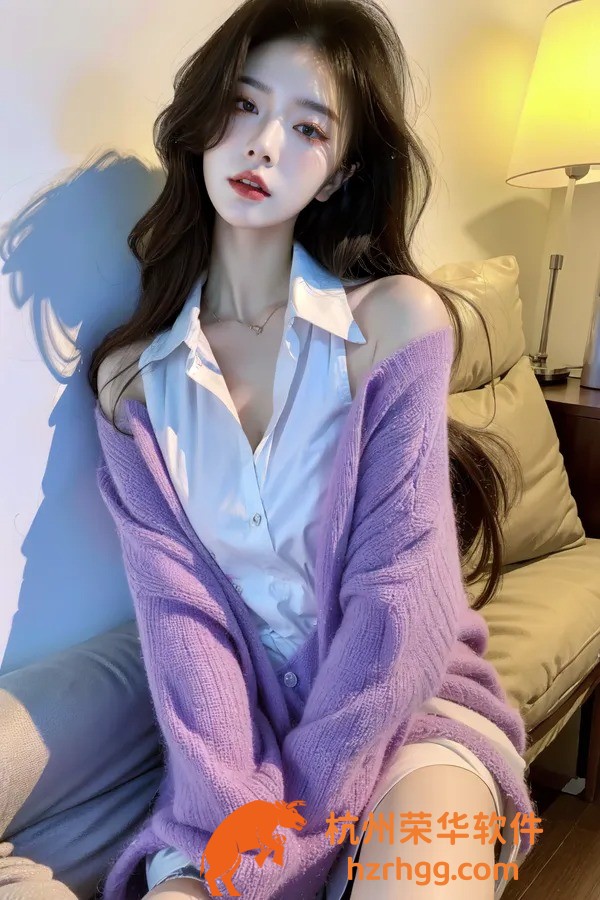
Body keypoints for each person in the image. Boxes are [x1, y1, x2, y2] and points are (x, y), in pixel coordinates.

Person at [89, 0, 534, 897]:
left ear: (337, 176)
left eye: (308, 128)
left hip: (408, 715)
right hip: (235, 756)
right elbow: (183, 630)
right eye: (244, 104)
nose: (263, 145)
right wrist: (243, 815)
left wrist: (294, 833)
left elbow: (397, 605)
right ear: (204, 119)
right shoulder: (133, 383)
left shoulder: (395, 325)